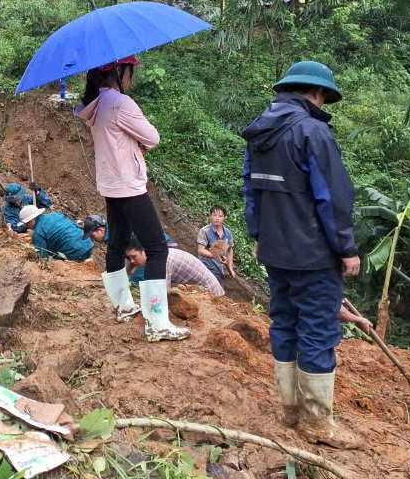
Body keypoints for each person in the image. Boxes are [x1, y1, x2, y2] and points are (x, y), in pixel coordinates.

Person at [241, 60, 361, 449]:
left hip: (275, 252)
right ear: (317, 94)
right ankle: (316, 421)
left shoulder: (260, 133)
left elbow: (251, 190)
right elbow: (333, 198)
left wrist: (258, 235)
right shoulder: (313, 131)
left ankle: (291, 410)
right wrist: (346, 249)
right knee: (318, 330)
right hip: (313, 255)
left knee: (285, 322)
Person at [75, 56, 189, 342]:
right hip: (129, 187)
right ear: (118, 70)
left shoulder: (97, 105)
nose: (132, 77)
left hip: (111, 186)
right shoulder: (120, 103)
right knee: (157, 248)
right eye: (130, 71)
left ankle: (123, 307)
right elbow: (153, 137)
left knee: (116, 244)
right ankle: (157, 321)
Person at [124, 240, 224, 296]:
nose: (132, 261)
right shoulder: (158, 256)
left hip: (211, 293)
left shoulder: (162, 262)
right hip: (200, 290)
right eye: (129, 258)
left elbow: (164, 293)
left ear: (144, 251)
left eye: (134, 257)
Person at [17, 205, 93, 262]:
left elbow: (43, 258)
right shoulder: (56, 215)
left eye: (27, 224)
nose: (27, 227)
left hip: (75, 252)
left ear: (31, 219)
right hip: (88, 243)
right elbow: (75, 226)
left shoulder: (38, 233)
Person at [197, 205, 236, 283]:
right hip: (205, 269)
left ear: (224, 218)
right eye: (214, 215)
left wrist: (230, 269)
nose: (217, 218)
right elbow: (201, 250)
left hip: (218, 271)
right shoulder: (204, 231)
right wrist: (217, 256)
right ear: (210, 216)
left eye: (220, 216)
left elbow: (229, 251)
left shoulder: (228, 233)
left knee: (218, 294)